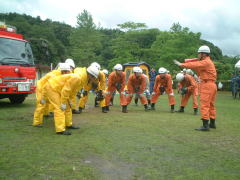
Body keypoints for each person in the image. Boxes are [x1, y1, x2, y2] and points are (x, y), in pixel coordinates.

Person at [41, 65, 99, 135]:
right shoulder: (78, 78)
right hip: (52, 88)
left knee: (68, 107)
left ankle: (68, 125)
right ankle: (60, 130)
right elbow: (66, 90)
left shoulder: (84, 78)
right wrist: (62, 103)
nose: (94, 80)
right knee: (59, 108)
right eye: (95, 78)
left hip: (58, 88)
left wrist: (70, 100)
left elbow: (73, 90)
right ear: (91, 75)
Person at [174, 45, 217, 131]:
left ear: (203, 54)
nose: (198, 55)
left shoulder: (205, 62)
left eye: (199, 53)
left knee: (204, 105)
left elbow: (195, 64)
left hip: (207, 85)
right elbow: (195, 61)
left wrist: (182, 64)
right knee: (211, 105)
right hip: (211, 85)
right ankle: (212, 123)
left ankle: (205, 126)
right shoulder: (207, 61)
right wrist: (187, 61)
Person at [32, 63, 71, 127]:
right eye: (67, 71)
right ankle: (36, 122)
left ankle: (46, 114)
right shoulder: (54, 75)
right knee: (41, 104)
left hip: (47, 88)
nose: (68, 73)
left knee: (47, 103)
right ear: (63, 71)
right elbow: (46, 86)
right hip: (41, 88)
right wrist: (43, 97)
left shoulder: (62, 75)